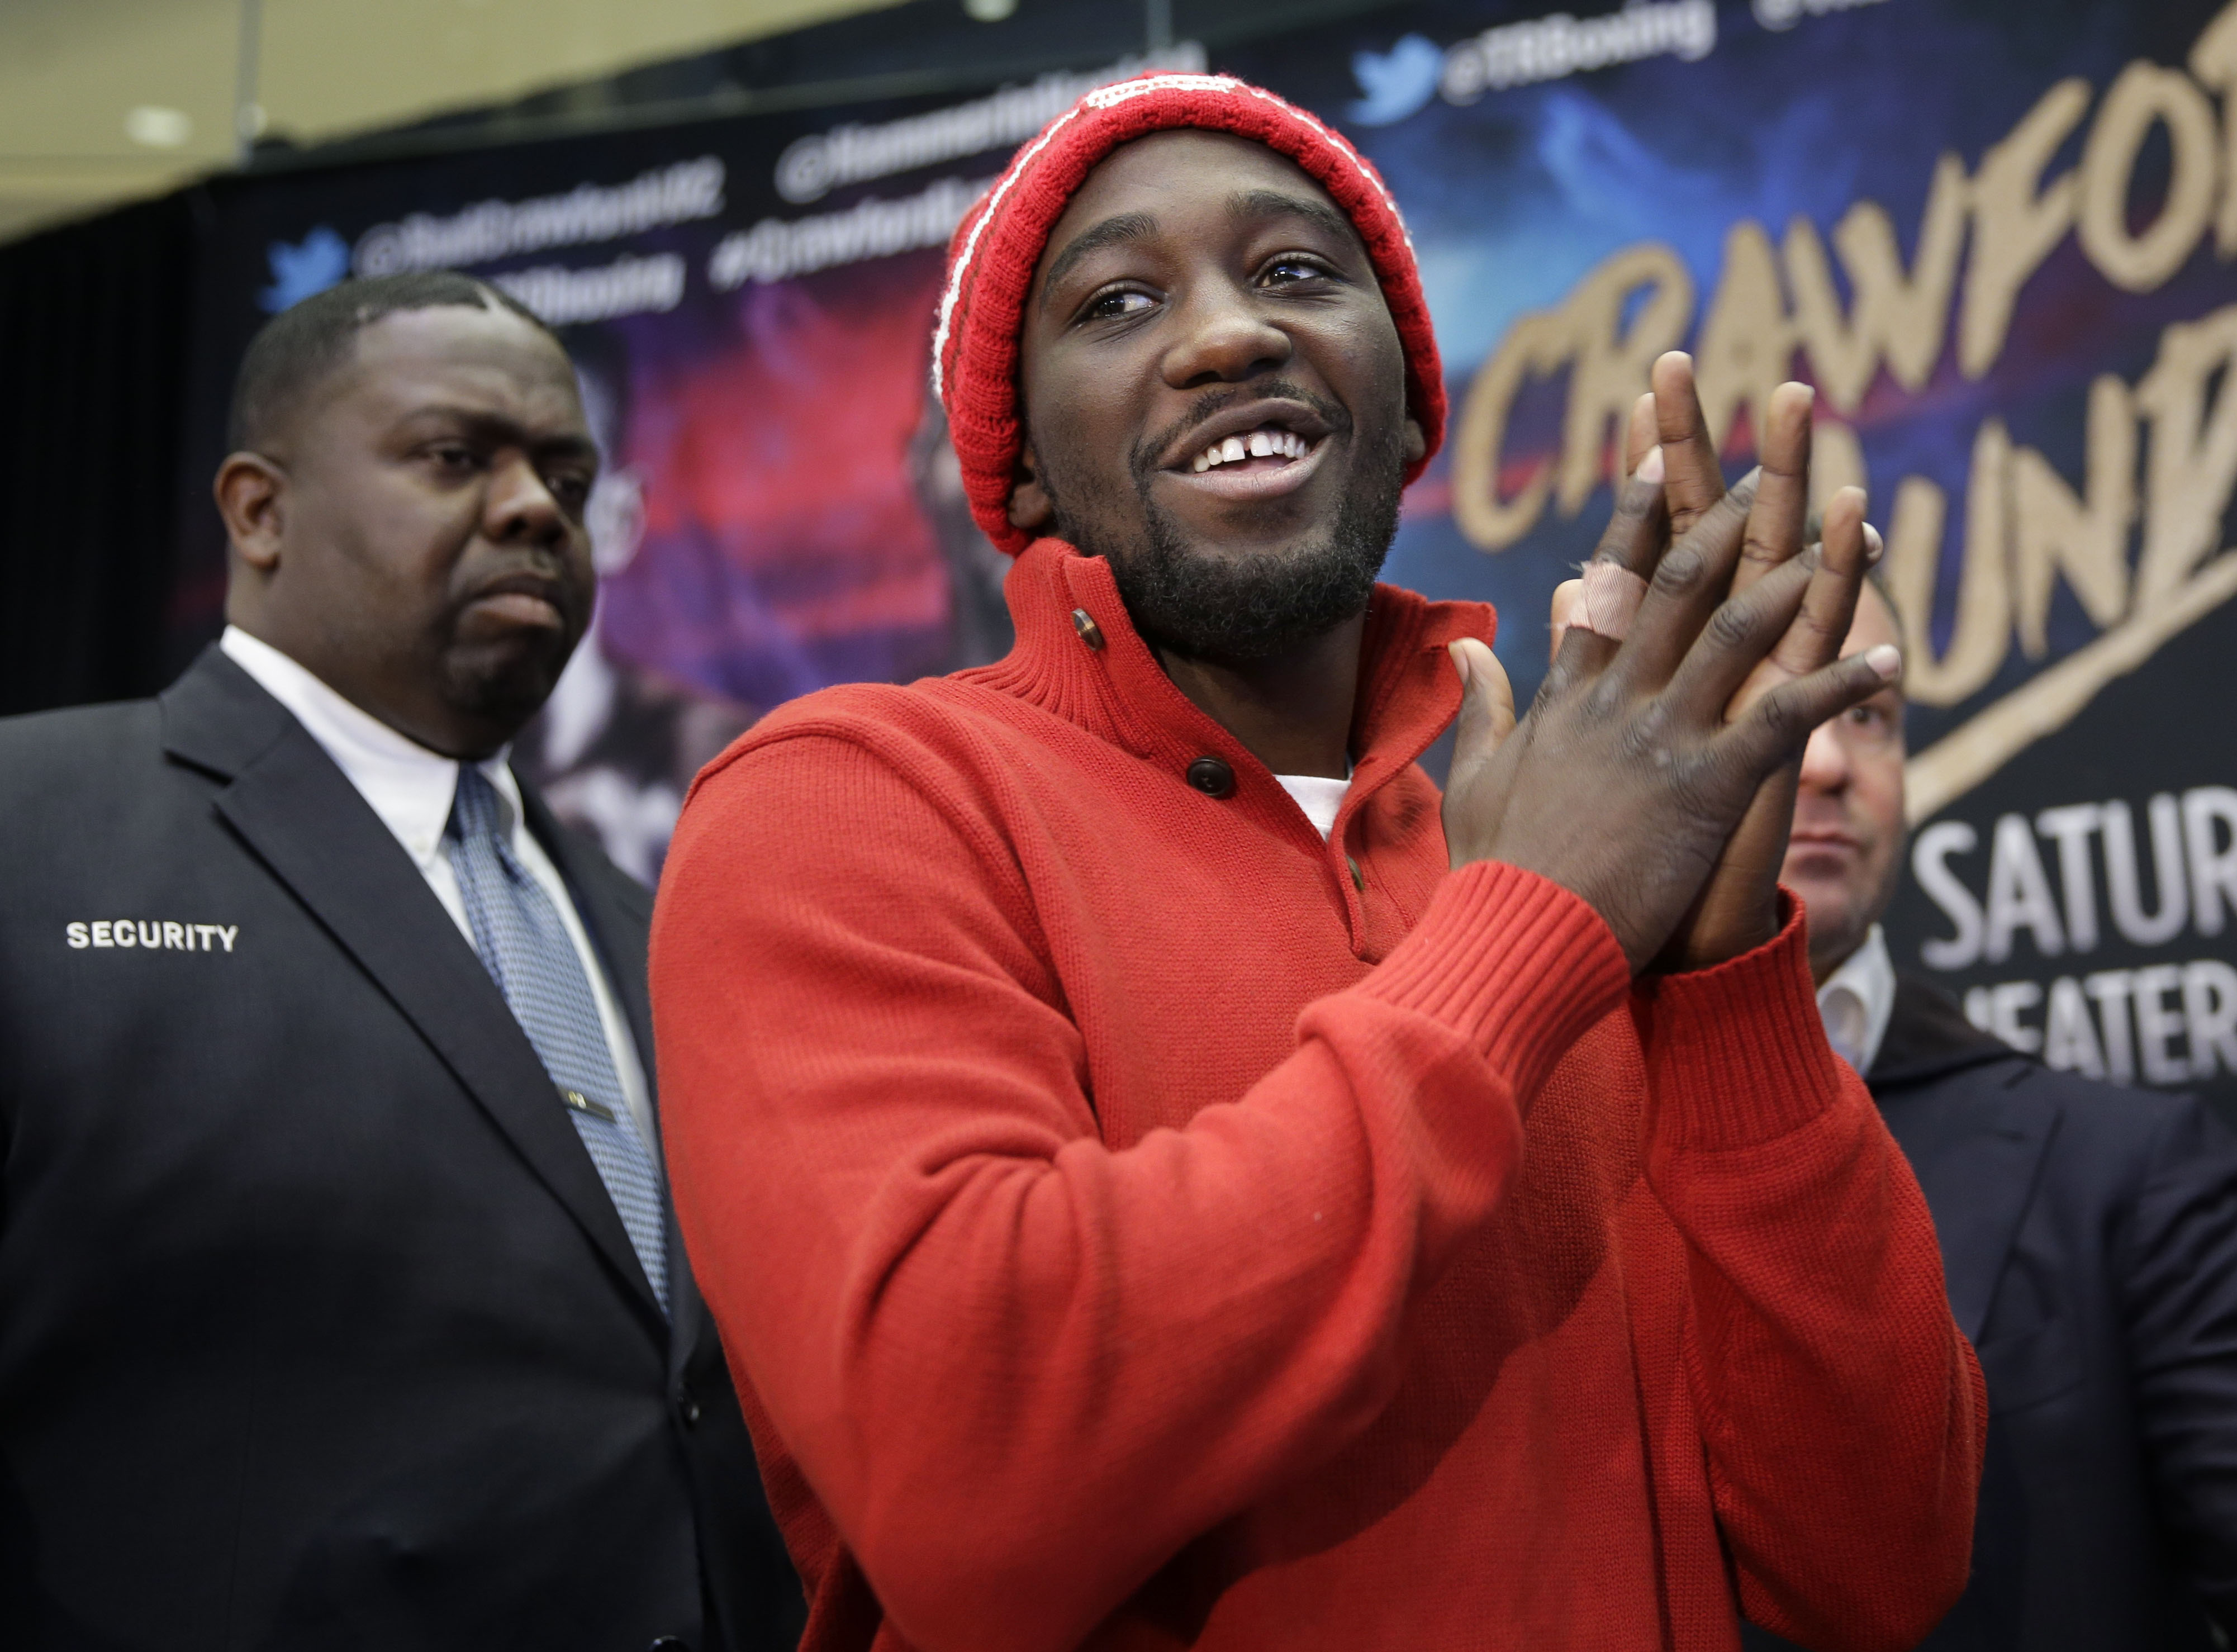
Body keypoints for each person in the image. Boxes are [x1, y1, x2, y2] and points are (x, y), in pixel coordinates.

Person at [652, 75, 1983, 1652]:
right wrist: (1530, 928)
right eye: (1118, 301)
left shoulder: (1548, 826)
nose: (1228, 335)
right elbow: (967, 1463)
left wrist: (1724, 984)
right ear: (1015, 470)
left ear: (1409, 406)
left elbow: (1876, 1559)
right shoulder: (849, 800)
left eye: (1294, 271)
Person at [0, 272, 803, 1650]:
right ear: (259, 510)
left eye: (567, 477)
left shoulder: (645, 919)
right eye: (453, 456)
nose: (534, 509)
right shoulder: (33, 826)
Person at [1758, 576, 2237, 1651]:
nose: (1826, 763)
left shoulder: (2128, 1171)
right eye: (1771, 703)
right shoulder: (1536, 1155)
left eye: (1868, 714)